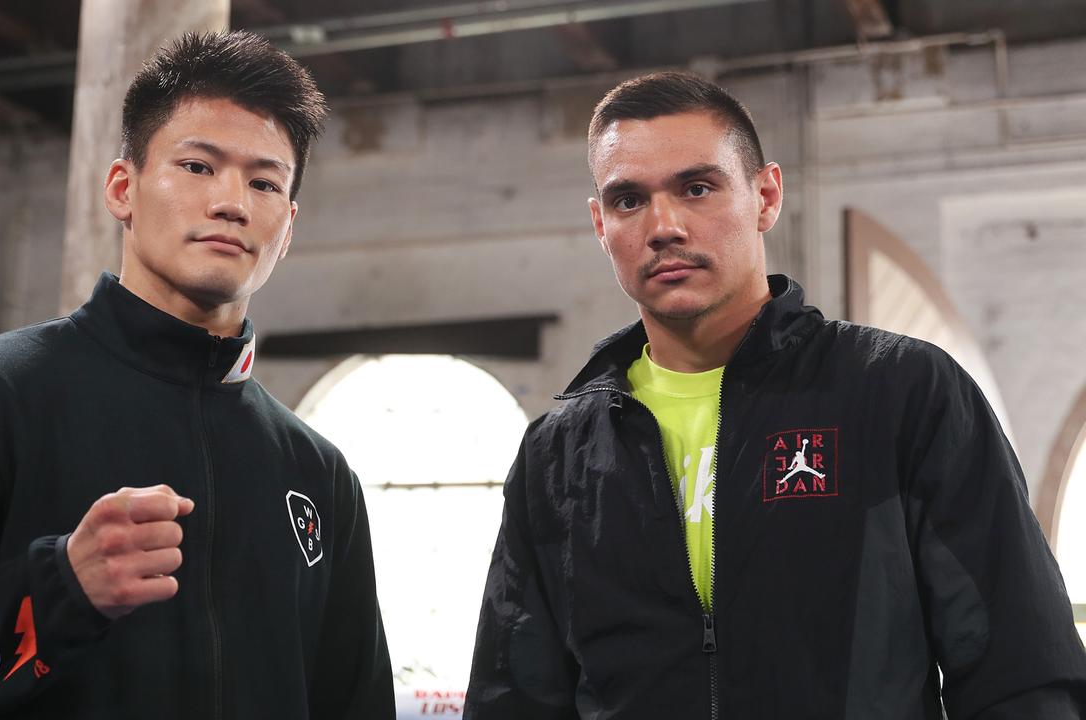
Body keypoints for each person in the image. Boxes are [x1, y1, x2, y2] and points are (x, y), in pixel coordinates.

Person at [0, 30, 393, 719]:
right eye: (199, 167)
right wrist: (56, 591)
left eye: (264, 182)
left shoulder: (318, 475)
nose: (232, 202)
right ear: (123, 188)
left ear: (286, 228)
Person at [464, 71, 1086, 719]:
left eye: (697, 188)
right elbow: (513, 699)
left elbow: (1021, 669)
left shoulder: (901, 393)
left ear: (765, 196)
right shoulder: (557, 454)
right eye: (628, 201)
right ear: (601, 224)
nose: (664, 225)